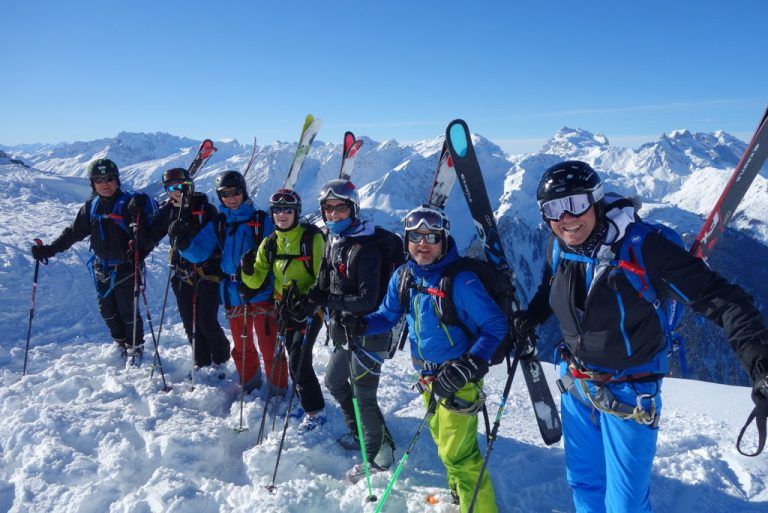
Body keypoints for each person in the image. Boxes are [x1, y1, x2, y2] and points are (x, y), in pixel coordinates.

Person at [515, 160, 768, 513]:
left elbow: (724, 300)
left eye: (576, 203)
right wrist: (532, 317)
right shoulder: (557, 246)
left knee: (626, 506)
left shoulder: (644, 248)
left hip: (630, 394)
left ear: (596, 200)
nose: (566, 217)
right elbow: (550, 287)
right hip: (576, 384)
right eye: (553, 209)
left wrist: (760, 364)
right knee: (584, 484)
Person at [342, 204, 505, 513]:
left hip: (458, 379)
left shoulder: (461, 281)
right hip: (427, 379)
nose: (423, 244)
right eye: (415, 237)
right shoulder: (404, 276)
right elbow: (388, 315)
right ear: (406, 240)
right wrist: (361, 324)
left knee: (459, 454)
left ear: (444, 239)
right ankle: (461, 496)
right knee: (445, 445)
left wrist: (470, 364)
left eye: (432, 237)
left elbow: (495, 325)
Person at [306, 179, 396, 480]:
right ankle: (362, 431)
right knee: (335, 381)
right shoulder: (335, 240)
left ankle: (379, 456)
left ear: (353, 209)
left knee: (364, 395)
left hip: (369, 330)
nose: (334, 214)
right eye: (328, 209)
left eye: (340, 208)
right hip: (345, 329)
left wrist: (325, 300)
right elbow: (329, 282)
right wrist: (312, 298)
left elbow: (368, 299)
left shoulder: (365, 247)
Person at [30, 158, 156, 358]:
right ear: (93, 183)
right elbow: (73, 233)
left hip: (127, 267)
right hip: (102, 268)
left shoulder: (130, 204)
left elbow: (147, 237)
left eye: (109, 178)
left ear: (117, 180)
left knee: (128, 311)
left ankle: (135, 347)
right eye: (99, 180)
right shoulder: (92, 207)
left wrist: (140, 248)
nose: (105, 184)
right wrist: (49, 250)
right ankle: (121, 344)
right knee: (107, 311)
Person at [176, 170, 286, 393]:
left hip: (261, 292)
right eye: (225, 194)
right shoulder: (219, 223)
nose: (231, 198)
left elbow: (276, 258)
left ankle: (278, 389)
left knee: (269, 345)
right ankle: (250, 386)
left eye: (235, 192)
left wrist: (274, 289)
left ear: (243, 191)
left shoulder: (261, 220)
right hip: (233, 293)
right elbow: (200, 251)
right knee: (242, 347)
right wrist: (183, 244)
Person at [241, 188, 327, 433]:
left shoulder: (312, 238)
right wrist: (246, 270)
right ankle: (306, 400)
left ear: (296, 212)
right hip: (284, 310)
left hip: (309, 309)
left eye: (287, 209)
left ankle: (315, 411)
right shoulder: (270, 243)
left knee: (299, 359)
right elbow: (256, 281)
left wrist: (309, 300)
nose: (282, 214)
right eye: (277, 210)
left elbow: (322, 276)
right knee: (293, 358)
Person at [142, 168, 230, 377]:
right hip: (182, 274)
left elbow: (212, 242)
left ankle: (220, 359)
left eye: (182, 186)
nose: (178, 191)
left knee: (206, 321)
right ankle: (201, 360)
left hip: (208, 272)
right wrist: (137, 220)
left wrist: (185, 234)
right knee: (190, 322)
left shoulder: (206, 209)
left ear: (190, 185)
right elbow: (149, 238)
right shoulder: (168, 212)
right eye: (172, 187)